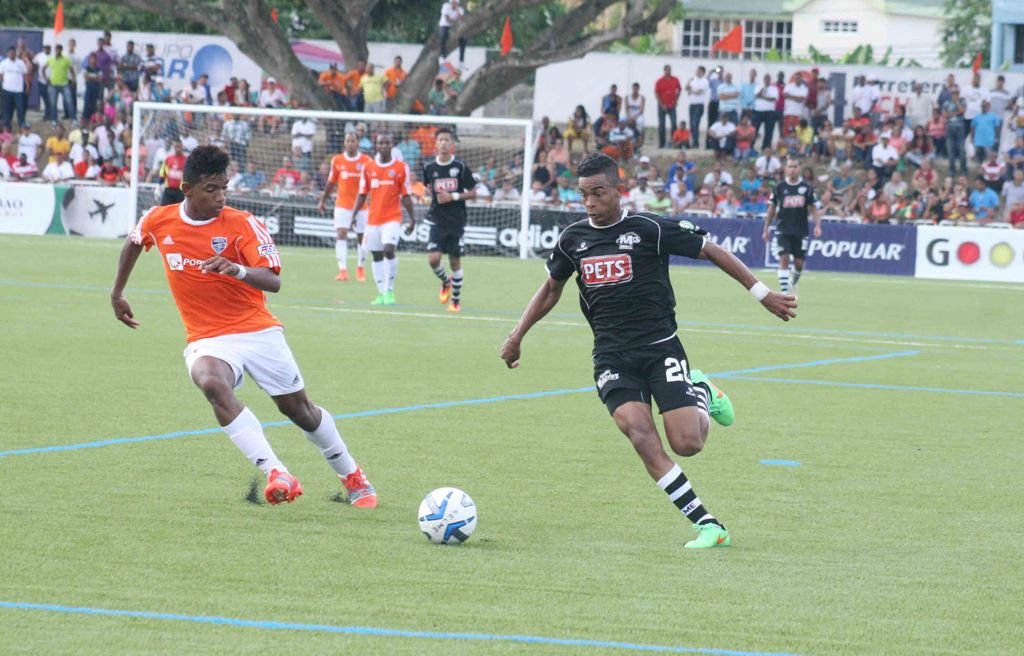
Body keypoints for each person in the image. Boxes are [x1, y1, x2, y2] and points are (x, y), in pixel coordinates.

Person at [499, 152, 797, 550]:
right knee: (638, 433)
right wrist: (518, 334)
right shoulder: (573, 240)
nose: (589, 203)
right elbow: (552, 288)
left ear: (618, 190)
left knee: (688, 444)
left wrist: (762, 294)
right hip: (611, 357)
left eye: (598, 193)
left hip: (660, 349)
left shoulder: (650, 229)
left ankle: (703, 392)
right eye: (583, 195)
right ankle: (708, 524)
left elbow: (710, 249)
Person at [111, 146, 377, 508]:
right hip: (208, 339)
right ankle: (276, 472)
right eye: (211, 189)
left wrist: (235, 269)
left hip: (257, 331)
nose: (220, 197)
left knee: (299, 411)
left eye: (224, 187)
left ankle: (351, 474)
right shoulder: (160, 219)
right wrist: (117, 292)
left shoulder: (243, 223)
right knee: (209, 380)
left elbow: (273, 281)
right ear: (187, 189)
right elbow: (134, 240)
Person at [351, 133, 416, 305]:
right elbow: (362, 194)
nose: (384, 145)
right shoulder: (368, 167)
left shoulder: (401, 167)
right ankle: (381, 294)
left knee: (388, 249)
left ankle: (390, 290)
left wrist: (412, 219)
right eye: (381, 143)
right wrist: (354, 214)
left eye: (387, 142)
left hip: (392, 217)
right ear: (376, 146)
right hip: (373, 220)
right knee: (377, 255)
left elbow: (407, 195)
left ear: (392, 144)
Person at [423, 127, 477, 312]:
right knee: (433, 259)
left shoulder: (460, 168)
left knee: (455, 262)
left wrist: (453, 197)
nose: (444, 143)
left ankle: (455, 301)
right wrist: (425, 195)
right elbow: (426, 189)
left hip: (456, 221)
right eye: (441, 140)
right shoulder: (429, 168)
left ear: (451, 144)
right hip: (437, 221)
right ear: (436, 143)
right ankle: (446, 281)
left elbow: (473, 193)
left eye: (447, 140)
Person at [762, 158, 823, 295]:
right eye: (790, 166)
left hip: (801, 230)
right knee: (784, 258)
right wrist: (766, 228)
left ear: (799, 168)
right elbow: (772, 208)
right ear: (785, 169)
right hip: (783, 229)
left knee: (799, 264)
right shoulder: (779, 187)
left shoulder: (806, 188)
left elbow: (813, 208)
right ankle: (784, 292)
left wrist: (817, 225)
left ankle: (792, 284)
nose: (792, 169)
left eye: (795, 166)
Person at [318, 131, 373, 282]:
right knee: (341, 234)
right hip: (342, 205)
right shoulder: (337, 160)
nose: (350, 143)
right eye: (347, 141)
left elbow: (371, 185)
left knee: (362, 238)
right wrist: (323, 200)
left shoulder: (366, 161)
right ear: (344, 143)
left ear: (358, 143)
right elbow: (331, 183)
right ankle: (343, 270)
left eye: (353, 141)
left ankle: (360, 268)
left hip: (361, 206)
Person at [1, 46, 30, 130]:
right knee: (7, 110)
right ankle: (7, 128)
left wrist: (27, 87)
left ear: (15, 54)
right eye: (10, 53)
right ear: (7, 54)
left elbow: (25, 75)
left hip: (18, 91)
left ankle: (22, 127)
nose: (11, 55)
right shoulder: (4, 63)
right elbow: (1, 75)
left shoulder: (20, 63)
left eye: (13, 53)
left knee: (20, 110)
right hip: (7, 90)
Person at [655, 65, 681, 149]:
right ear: (664, 71)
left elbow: (679, 89)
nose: (668, 72)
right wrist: (661, 104)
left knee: (674, 124)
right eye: (666, 70)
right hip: (662, 106)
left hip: (672, 105)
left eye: (669, 70)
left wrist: (676, 99)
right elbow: (657, 93)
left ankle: (674, 143)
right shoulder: (659, 81)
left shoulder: (675, 80)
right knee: (662, 125)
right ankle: (661, 143)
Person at [684, 66, 708, 149]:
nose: (697, 72)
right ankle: (693, 141)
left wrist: (691, 91)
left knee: (695, 124)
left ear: (702, 72)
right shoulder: (693, 80)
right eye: (696, 70)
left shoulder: (704, 81)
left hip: (699, 105)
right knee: (691, 124)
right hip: (692, 104)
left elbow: (699, 92)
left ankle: (696, 143)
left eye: (699, 71)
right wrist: (688, 82)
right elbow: (686, 88)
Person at [438, 0, 467, 67]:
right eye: (452, 3)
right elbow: (447, 19)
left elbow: (462, 18)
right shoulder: (445, 6)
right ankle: (442, 56)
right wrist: (456, 20)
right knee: (443, 37)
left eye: (455, 3)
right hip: (444, 25)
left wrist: (457, 10)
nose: (453, 4)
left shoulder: (460, 9)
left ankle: (461, 61)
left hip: (454, 26)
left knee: (463, 40)